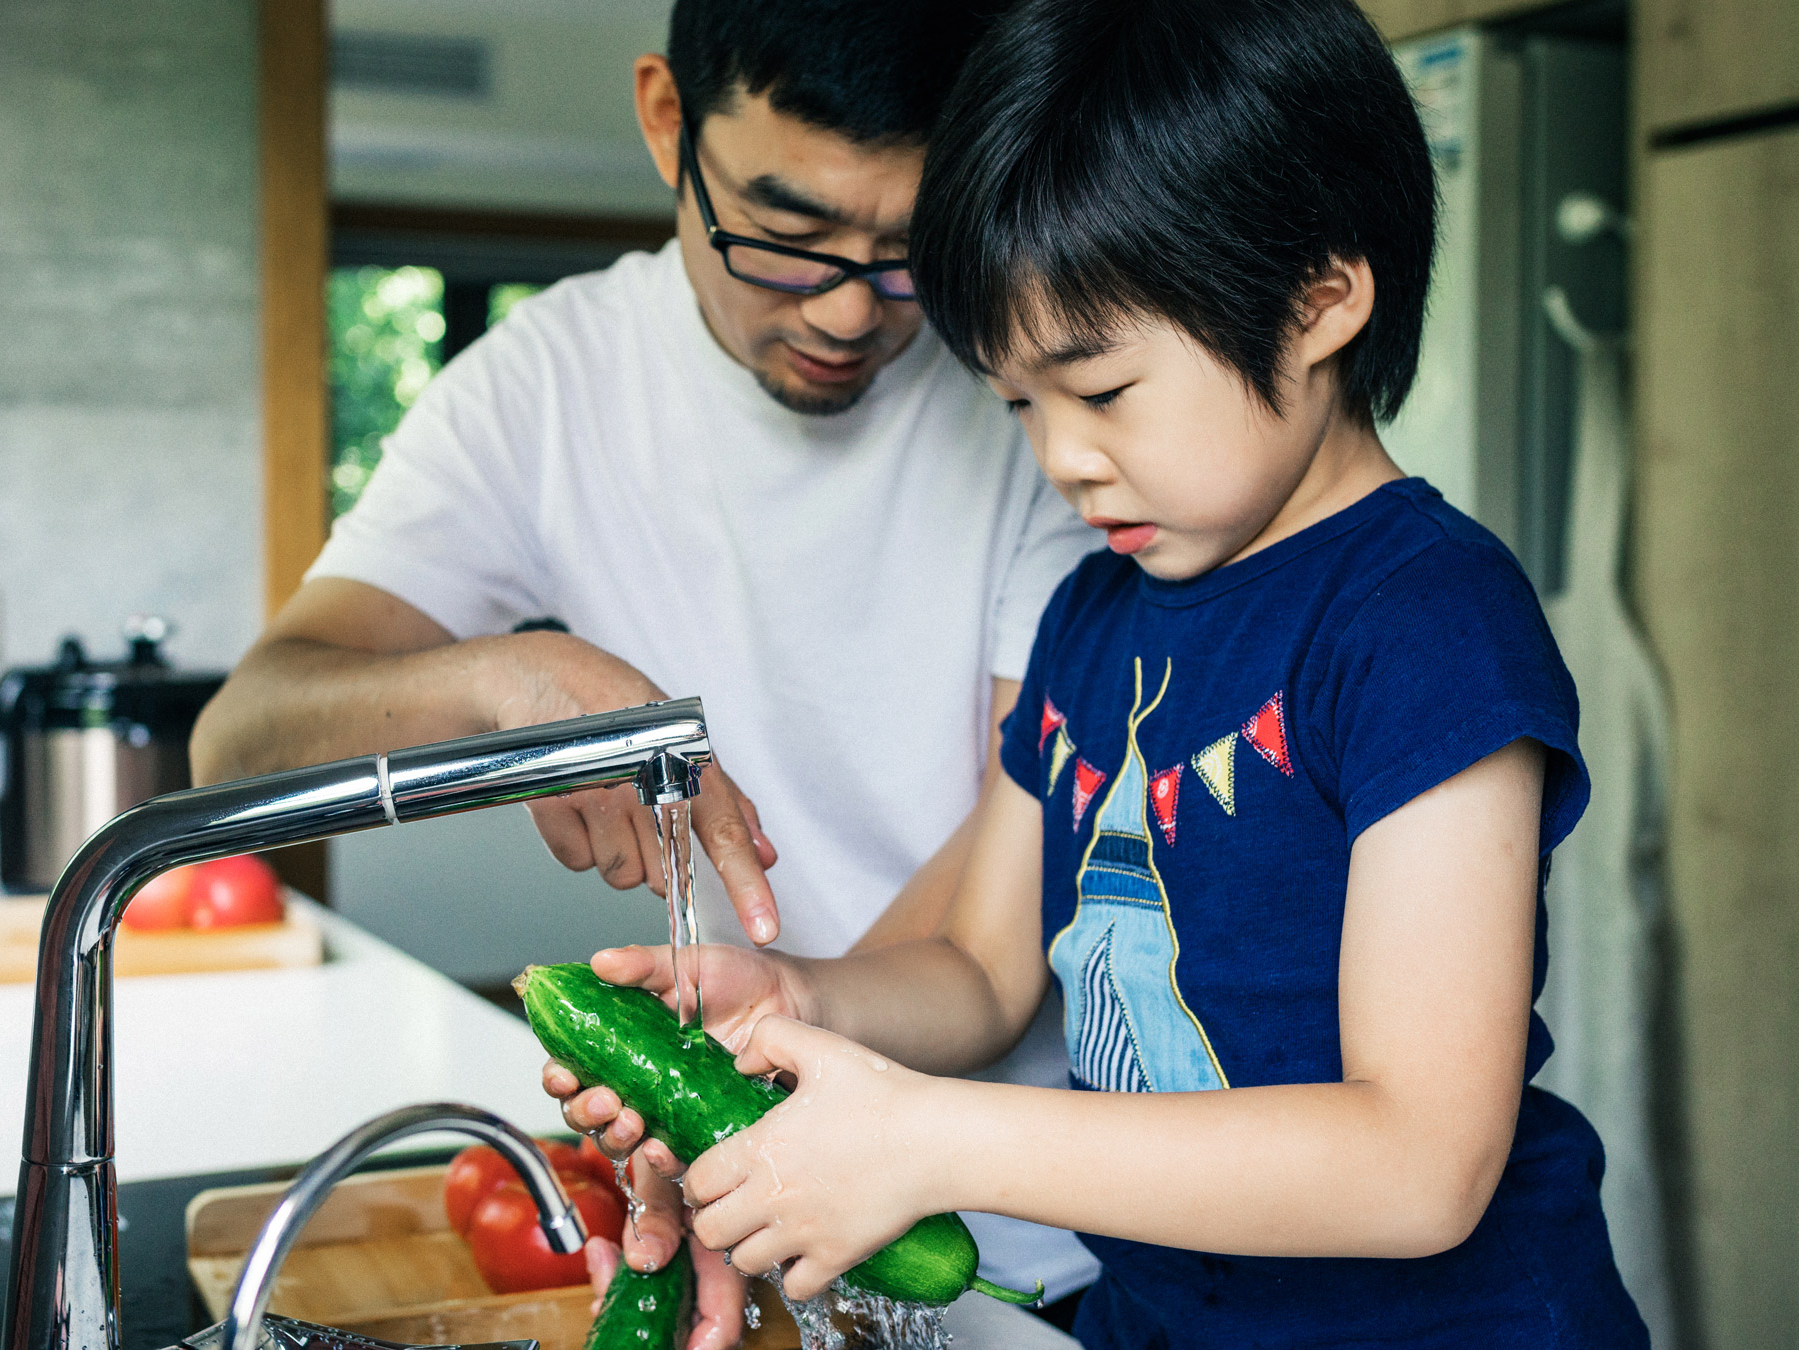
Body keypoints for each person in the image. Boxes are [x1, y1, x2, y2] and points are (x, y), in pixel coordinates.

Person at [549, 0, 1651, 1344]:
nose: (1059, 456)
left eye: (1103, 389)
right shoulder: (1095, 615)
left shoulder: (1424, 620)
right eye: (1018, 402)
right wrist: (803, 999)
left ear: (1318, 301)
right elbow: (980, 965)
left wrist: (934, 1139)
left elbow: (1420, 1159)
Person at [188, 0, 1103, 1338]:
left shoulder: (1037, 393)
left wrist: (765, 1046)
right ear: (668, 121)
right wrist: (504, 682)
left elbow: (995, 909)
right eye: (786, 239)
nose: (849, 309)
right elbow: (241, 740)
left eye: (909, 255)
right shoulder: (543, 388)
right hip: (744, 1202)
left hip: (1022, 1233)